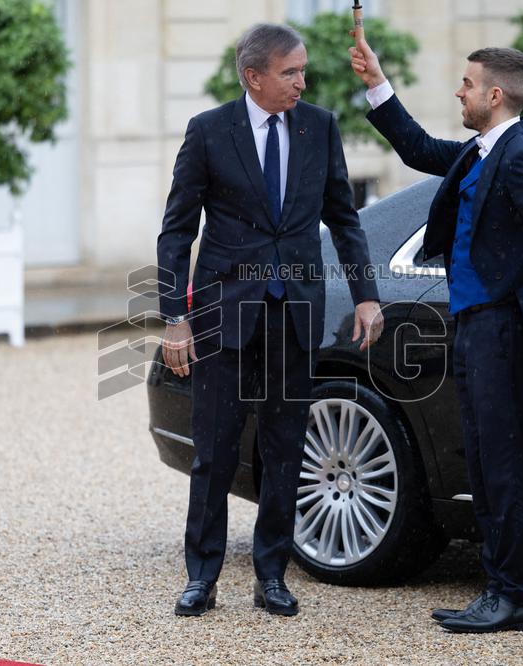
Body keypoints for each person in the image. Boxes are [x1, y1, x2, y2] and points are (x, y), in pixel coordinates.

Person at [350, 37, 523, 633]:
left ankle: (516, 596)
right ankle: (498, 590)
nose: (458, 92)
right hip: (473, 326)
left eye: (466, 84)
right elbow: (416, 149)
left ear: (494, 94)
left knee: (503, 466)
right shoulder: (482, 151)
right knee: (484, 462)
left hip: (503, 332)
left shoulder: (521, 156)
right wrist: (376, 82)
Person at [158, 23, 383, 618]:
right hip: (223, 316)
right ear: (253, 76)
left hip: (295, 314)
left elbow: (344, 216)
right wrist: (173, 317)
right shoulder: (208, 133)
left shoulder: (320, 126)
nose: (301, 81)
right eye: (290, 72)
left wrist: (365, 294)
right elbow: (177, 231)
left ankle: (272, 576)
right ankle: (201, 577)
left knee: (285, 449)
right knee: (214, 450)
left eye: (303, 70)